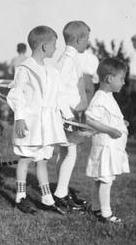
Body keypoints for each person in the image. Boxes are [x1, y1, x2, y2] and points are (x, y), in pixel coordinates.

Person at [6, 26, 68, 214]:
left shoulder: (52, 70)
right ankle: (20, 197)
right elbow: (18, 95)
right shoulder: (25, 68)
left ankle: (47, 198)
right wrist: (20, 118)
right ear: (43, 46)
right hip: (31, 121)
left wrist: (66, 116)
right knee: (25, 158)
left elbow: (58, 96)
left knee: (42, 159)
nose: (56, 48)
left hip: (47, 123)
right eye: (54, 44)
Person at [84, 57, 130, 223]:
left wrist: (119, 123)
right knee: (105, 180)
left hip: (110, 147)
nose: (123, 83)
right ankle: (106, 213)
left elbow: (105, 117)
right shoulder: (100, 97)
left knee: (101, 178)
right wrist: (110, 129)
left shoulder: (108, 97)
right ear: (110, 78)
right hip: (106, 146)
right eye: (121, 79)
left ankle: (96, 208)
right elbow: (90, 119)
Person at [54, 21, 91, 211]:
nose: (88, 43)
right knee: (70, 152)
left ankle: (62, 191)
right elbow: (57, 89)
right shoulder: (67, 60)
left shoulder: (72, 58)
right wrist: (66, 114)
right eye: (87, 39)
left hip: (69, 114)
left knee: (66, 152)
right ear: (78, 39)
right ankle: (60, 194)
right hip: (65, 115)